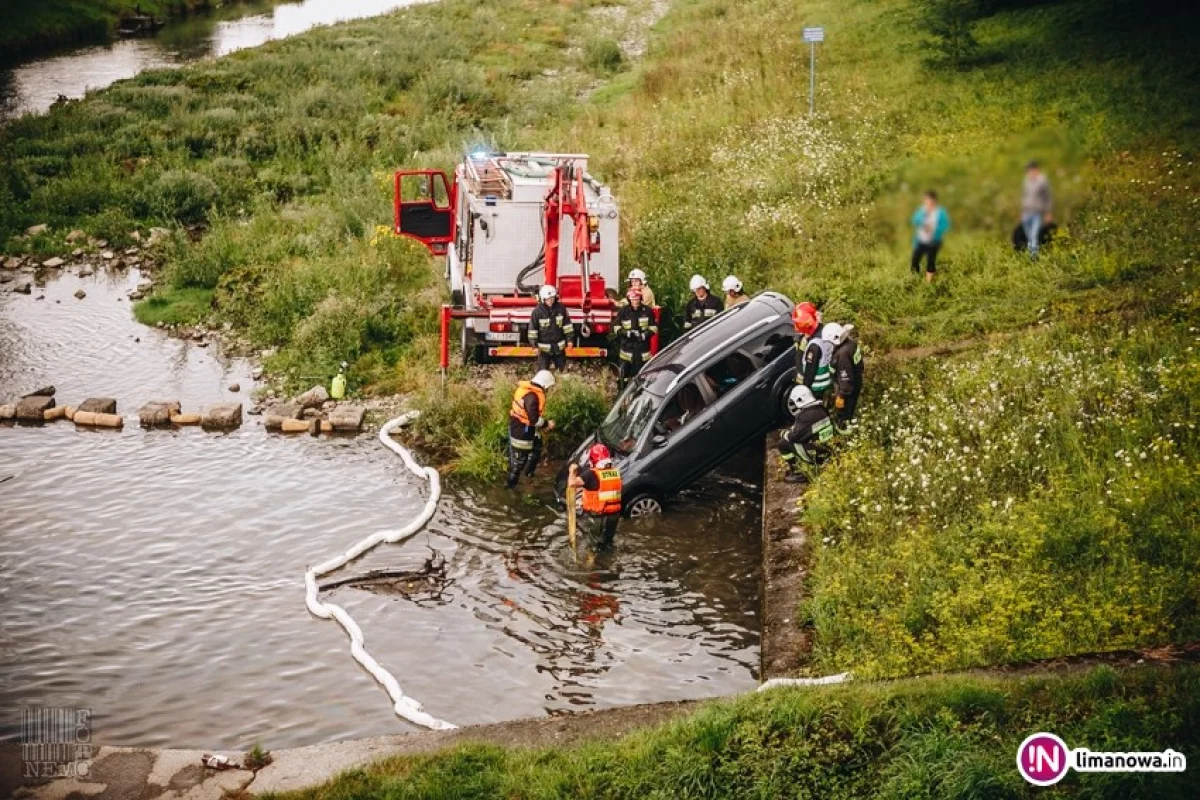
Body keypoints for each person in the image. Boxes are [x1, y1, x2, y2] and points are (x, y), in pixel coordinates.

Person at [506, 370, 556, 489]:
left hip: (524, 428)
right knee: (518, 464)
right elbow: (533, 419)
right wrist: (547, 424)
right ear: (544, 385)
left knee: (537, 447)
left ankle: (529, 474)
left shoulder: (527, 391)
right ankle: (510, 487)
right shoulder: (532, 397)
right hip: (521, 431)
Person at [776, 385, 836, 483]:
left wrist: (784, 433)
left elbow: (794, 437)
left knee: (782, 444)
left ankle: (798, 473)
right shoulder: (820, 409)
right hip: (829, 450)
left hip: (817, 455)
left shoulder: (806, 416)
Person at [568, 443, 623, 546]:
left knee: (594, 544)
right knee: (608, 542)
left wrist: (572, 471)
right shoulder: (616, 472)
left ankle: (595, 561)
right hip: (614, 516)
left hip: (599, 517)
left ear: (592, 459)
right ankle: (609, 559)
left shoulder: (592, 474)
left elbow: (572, 484)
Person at [614, 287, 657, 389]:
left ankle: (640, 395)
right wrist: (627, 333)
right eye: (633, 300)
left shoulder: (647, 311)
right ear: (629, 299)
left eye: (637, 299)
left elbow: (654, 327)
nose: (635, 302)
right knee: (623, 377)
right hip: (626, 351)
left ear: (640, 298)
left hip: (643, 351)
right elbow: (616, 328)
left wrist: (644, 335)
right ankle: (622, 395)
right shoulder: (623, 312)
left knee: (642, 377)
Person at [823, 322, 864, 427]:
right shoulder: (850, 343)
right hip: (855, 381)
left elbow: (846, 379)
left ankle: (845, 430)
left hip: (847, 389)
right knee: (850, 408)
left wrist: (841, 396)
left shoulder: (843, 355)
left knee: (844, 412)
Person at [791, 301, 833, 398]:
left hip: (816, 386)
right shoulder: (824, 331)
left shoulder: (814, 346)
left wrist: (805, 389)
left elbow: (810, 371)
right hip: (826, 380)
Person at [528, 284, 574, 371]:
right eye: (548, 299)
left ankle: (562, 384)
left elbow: (567, 326)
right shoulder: (537, 312)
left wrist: (570, 340)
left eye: (552, 298)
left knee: (562, 370)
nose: (550, 301)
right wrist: (534, 346)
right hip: (544, 350)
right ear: (543, 299)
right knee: (542, 372)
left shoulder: (561, 308)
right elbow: (532, 330)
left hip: (558, 348)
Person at [910, 190, 950, 283]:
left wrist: (935, 230)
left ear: (934, 200)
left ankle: (928, 284)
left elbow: (946, 225)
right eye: (925, 200)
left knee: (930, 261)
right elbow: (914, 220)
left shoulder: (940, 212)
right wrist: (924, 215)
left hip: (934, 241)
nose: (927, 202)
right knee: (915, 260)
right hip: (921, 240)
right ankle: (915, 280)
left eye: (928, 200)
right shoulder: (922, 210)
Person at [1021, 160, 1052, 259]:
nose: (1029, 172)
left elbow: (1047, 197)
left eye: (1031, 170)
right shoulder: (1026, 181)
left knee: (1034, 236)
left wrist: (1047, 212)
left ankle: (1034, 259)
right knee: (1029, 238)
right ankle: (1031, 257)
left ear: (1036, 170)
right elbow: (1025, 196)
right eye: (1028, 171)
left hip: (1036, 213)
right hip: (1026, 213)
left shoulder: (1042, 181)